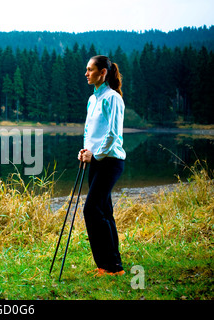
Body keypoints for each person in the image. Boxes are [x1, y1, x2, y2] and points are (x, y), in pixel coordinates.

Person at [78, 55, 126, 276]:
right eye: (86, 70)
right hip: (96, 160)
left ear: (102, 73)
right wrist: (85, 151)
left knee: (92, 209)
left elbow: (113, 135)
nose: (86, 74)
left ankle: (111, 266)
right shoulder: (92, 99)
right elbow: (91, 132)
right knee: (105, 211)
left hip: (110, 161)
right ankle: (109, 265)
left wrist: (95, 155)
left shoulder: (112, 98)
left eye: (90, 70)